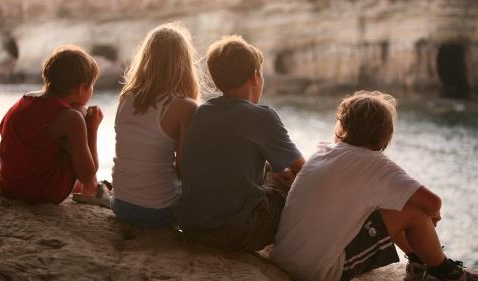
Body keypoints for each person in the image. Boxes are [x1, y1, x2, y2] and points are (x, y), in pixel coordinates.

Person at [271, 91, 478, 281]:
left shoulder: (322, 150)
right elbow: (433, 202)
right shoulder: (375, 163)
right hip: (319, 271)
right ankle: (444, 271)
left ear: (342, 124)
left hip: (285, 254)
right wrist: (432, 216)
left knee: (388, 202)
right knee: (414, 213)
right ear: (384, 136)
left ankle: (418, 262)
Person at [172, 35, 305, 251]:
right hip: (235, 234)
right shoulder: (263, 117)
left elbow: (224, 157)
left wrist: (270, 168)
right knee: (286, 187)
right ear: (255, 76)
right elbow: (304, 170)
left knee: (272, 175)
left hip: (192, 226)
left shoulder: (203, 111)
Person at [111, 23, 201, 228]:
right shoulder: (184, 107)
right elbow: (186, 169)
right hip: (159, 212)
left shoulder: (126, 97)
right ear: (184, 63)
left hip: (120, 204)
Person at [0, 45, 109, 206]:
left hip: (9, 186)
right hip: (41, 192)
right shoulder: (72, 118)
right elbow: (87, 175)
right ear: (81, 88)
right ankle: (92, 191)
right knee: (79, 116)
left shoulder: (24, 100)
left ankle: (84, 188)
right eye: (91, 85)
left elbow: (3, 129)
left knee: (72, 117)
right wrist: (92, 128)